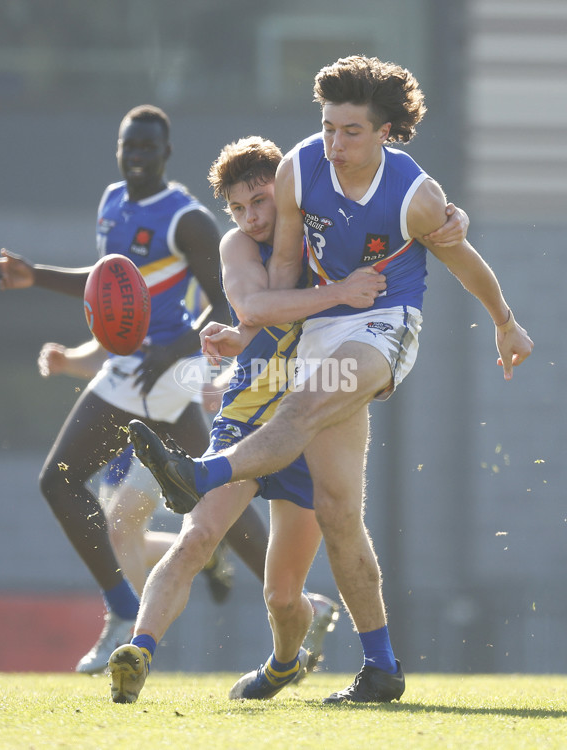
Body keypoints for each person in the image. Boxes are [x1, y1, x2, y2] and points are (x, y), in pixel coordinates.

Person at [124, 55, 533, 706]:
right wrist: (245, 335)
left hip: (384, 325)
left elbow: (465, 261)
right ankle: (381, 669)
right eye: (327, 127)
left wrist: (506, 323)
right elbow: (284, 274)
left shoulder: (416, 194)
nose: (334, 143)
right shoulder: (299, 167)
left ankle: (197, 475)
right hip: (321, 332)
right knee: (341, 512)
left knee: (298, 415)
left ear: (385, 133)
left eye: (350, 131)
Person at [0, 104, 269, 674]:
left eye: (147, 148)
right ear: (119, 149)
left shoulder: (186, 219)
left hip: (167, 376)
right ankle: (130, 607)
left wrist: (177, 346)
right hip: (125, 373)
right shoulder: (112, 202)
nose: (136, 156)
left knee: (200, 496)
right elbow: (106, 291)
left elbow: (225, 302)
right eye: (128, 146)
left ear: (166, 153)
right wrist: (34, 275)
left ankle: (288, 600)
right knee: (70, 483)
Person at [37, 336, 234, 603]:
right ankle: (206, 554)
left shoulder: (186, 297)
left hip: (162, 427)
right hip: (121, 433)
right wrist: (69, 361)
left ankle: (133, 635)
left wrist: (218, 387)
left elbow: (243, 333)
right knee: (121, 540)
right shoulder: (119, 297)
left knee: (120, 528)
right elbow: (109, 360)